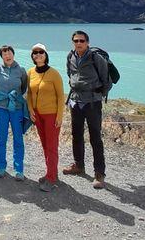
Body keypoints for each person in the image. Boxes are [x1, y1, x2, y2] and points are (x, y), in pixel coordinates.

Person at [63, 30, 111, 189]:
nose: (78, 43)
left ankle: (99, 173)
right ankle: (79, 165)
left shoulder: (95, 58)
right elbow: (70, 74)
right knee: (76, 135)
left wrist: (97, 95)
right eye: (76, 41)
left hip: (92, 102)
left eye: (81, 41)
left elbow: (106, 80)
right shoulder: (70, 56)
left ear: (87, 42)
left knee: (95, 138)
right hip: (76, 102)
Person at [26, 43, 65, 192]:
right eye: (35, 53)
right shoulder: (30, 72)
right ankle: (51, 172)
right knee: (44, 145)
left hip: (51, 114)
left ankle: (51, 178)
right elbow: (29, 93)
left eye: (41, 52)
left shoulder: (54, 73)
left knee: (52, 146)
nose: (38, 55)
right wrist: (30, 109)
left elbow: (61, 96)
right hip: (38, 115)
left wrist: (59, 116)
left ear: (46, 55)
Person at [0, 45, 28, 180]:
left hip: (17, 108)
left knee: (18, 139)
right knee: (2, 138)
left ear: (13, 54)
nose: (7, 56)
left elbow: (23, 88)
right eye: (4, 54)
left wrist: (14, 98)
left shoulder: (21, 71)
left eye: (9, 53)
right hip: (1, 108)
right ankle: (1, 167)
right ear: (1, 56)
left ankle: (19, 169)